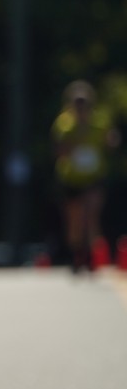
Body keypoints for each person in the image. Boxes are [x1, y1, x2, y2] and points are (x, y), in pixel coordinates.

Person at [51, 81, 119, 272]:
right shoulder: (64, 125)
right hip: (71, 178)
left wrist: (111, 141)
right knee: (75, 220)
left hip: (94, 178)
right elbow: (58, 150)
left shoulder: (100, 123)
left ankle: (91, 256)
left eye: (84, 103)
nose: (81, 108)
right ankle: (77, 253)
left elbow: (111, 142)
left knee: (90, 215)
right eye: (77, 103)